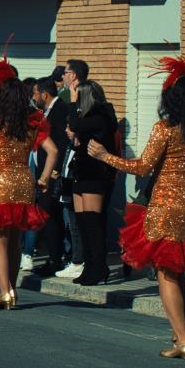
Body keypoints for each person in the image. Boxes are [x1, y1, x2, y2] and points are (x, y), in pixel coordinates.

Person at [88, 56, 185, 358]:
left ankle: (183, 339)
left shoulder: (164, 128)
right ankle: (180, 333)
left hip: (167, 205)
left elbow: (143, 167)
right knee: (180, 270)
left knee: (166, 272)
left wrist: (104, 156)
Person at [0, 60, 59, 310]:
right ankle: (13, 289)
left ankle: (5, 291)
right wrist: (43, 177)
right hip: (24, 183)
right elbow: (53, 151)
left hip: (0, 182)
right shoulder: (31, 122)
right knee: (16, 239)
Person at [66, 80, 118, 286]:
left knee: (93, 223)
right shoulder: (88, 117)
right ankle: (90, 266)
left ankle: (99, 267)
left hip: (95, 174)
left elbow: (76, 125)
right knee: (82, 222)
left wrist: (71, 104)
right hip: (81, 170)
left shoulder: (102, 115)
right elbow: (78, 133)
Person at [28, 77, 68, 277]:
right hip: (43, 170)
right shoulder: (46, 111)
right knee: (50, 217)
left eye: (35, 93)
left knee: (49, 215)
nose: (34, 97)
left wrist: (55, 170)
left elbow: (60, 143)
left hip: (52, 173)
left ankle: (55, 258)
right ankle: (54, 256)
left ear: (44, 94)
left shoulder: (60, 110)